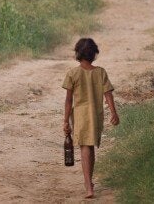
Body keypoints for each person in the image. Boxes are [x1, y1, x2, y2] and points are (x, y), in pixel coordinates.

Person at [62, 38, 119, 199]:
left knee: (85, 147)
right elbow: (108, 95)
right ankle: (89, 182)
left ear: (77, 54)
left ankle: (88, 185)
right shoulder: (100, 72)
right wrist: (114, 113)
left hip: (80, 116)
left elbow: (68, 101)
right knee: (90, 147)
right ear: (94, 54)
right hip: (95, 115)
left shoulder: (73, 73)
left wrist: (66, 120)